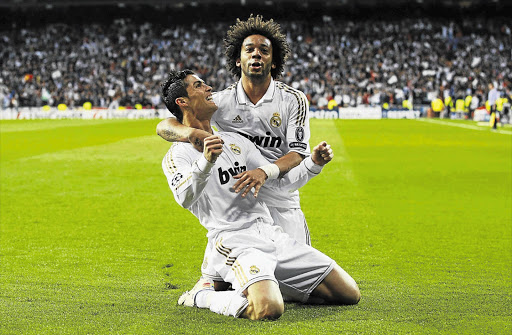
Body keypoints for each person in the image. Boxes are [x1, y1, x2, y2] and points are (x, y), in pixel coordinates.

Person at [161, 69, 360, 320]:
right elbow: (184, 197)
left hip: (270, 232)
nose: (209, 88)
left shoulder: (236, 141)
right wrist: (206, 162)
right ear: (182, 102)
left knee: (349, 293)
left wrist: (313, 164)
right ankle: (202, 295)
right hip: (234, 240)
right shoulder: (177, 156)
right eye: (198, 86)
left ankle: (261, 282)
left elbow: (277, 186)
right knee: (268, 309)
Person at [156, 15, 313, 246]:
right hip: (242, 203)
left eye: (264, 50)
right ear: (238, 60)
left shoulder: (293, 100)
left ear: (274, 61)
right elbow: (164, 125)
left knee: (297, 279)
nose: (256, 54)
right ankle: (212, 277)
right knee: (244, 271)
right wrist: (190, 134)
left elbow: (298, 154)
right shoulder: (221, 102)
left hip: (281, 198)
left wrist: (263, 171)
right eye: (249, 49)